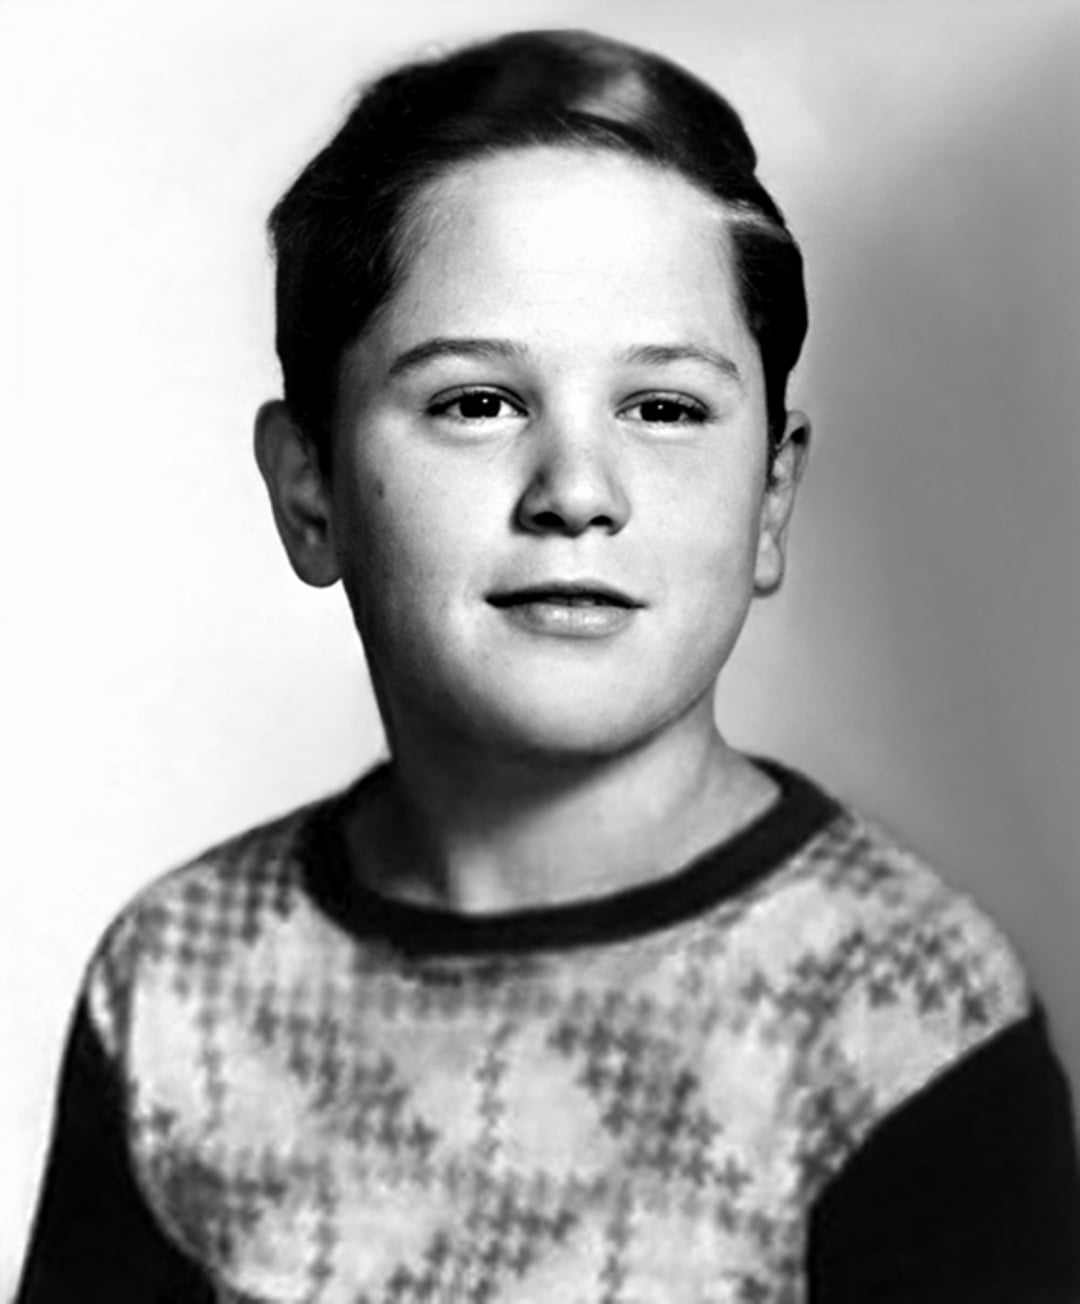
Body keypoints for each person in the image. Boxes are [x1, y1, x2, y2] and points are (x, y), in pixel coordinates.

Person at [15, 27, 1080, 1304]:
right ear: (312, 489)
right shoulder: (180, 981)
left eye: (665, 408)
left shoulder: (902, 1022)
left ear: (771, 499)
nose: (576, 492)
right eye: (477, 402)